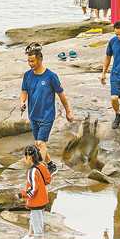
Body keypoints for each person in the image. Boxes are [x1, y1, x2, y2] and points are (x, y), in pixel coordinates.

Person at [20, 43, 74, 175]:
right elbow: (24, 90)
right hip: (33, 115)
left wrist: (68, 111)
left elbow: (61, 94)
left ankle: (38, 171)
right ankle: (50, 165)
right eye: (28, 61)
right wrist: (22, 101)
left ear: (40, 59)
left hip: (47, 115)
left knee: (40, 143)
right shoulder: (27, 75)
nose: (30, 64)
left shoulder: (51, 76)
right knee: (38, 144)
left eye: (32, 61)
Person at [17, 145, 52, 239]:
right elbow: (48, 179)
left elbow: (33, 189)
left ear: (29, 157)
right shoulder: (41, 165)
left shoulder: (32, 171)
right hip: (43, 198)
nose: (24, 159)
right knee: (34, 218)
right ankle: (30, 236)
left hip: (36, 200)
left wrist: (22, 194)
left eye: (25, 156)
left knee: (37, 220)